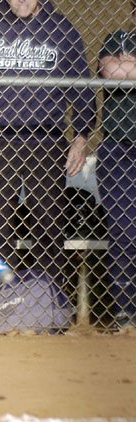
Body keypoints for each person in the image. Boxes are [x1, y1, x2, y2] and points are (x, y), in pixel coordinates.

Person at [0, 0, 96, 287]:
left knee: (49, 222)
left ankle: (50, 298)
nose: (21, 1)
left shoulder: (62, 29)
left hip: (46, 138)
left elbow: (82, 86)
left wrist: (80, 137)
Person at [97, 0, 136, 329]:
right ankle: (127, 312)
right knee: (124, 230)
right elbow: (111, 72)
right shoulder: (118, 39)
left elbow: (125, 71)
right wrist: (121, 66)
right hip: (119, 149)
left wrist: (130, 67)